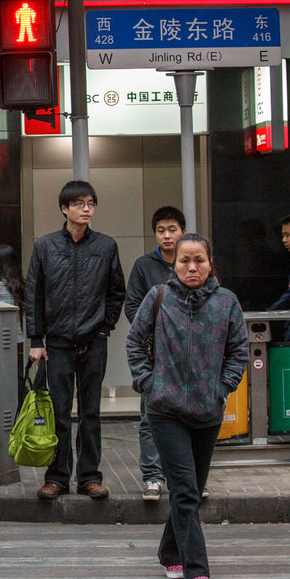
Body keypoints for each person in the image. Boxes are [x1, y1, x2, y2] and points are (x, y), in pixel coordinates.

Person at [126, 234, 248, 579]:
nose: (192, 267)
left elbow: (239, 350)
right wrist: (149, 383)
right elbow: (135, 342)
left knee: (190, 490)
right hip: (165, 410)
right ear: (174, 264)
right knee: (184, 490)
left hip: (208, 411)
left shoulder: (226, 302)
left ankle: (169, 551)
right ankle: (196, 568)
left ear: (211, 264)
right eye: (184, 261)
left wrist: (222, 387)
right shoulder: (158, 298)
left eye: (199, 260)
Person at [26, 180, 125, 500]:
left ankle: (89, 477)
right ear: (64, 208)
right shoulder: (46, 246)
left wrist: (104, 326)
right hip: (56, 342)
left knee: (91, 412)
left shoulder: (106, 246)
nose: (86, 209)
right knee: (58, 410)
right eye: (80, 203)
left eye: (91, 204)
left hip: (93, 339)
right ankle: (56, 478)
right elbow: (34, 294)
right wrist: (36, 339)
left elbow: (116, 291)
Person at [124, 206, 186, 503]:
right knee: (151, 417)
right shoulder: (144, 265)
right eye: (161, 230)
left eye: (172, 229)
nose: (166, 235)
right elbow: (132, 306)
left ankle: (185, 477)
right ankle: (152, 477)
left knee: (189, 417)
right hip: (156, 354)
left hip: (190, 354)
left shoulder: (192, 261)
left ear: (182, 231)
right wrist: (156, 332)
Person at [0, 244, 27, 404]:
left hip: (4, 346)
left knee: (10, 383)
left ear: (1, 263)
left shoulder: (1, 287)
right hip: (5, 345)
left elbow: (5, 323)